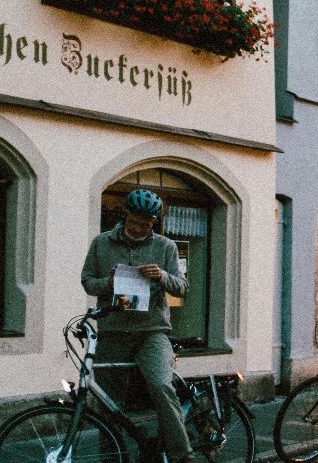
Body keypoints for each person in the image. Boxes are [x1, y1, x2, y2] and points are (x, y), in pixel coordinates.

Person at [81, 188, 198, 463]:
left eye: (146, 225)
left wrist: (162, 276)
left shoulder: (165, 246)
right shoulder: (102, 243)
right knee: (108, 403)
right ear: (126, 216)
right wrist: (107, 284)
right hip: (112, 331)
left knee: (160, 385)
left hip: (152, 332)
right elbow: (87, 279)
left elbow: (182, 288)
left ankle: (183, 455)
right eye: (135, 222)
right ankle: (113, 457)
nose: (138, 229)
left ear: (153, 222)